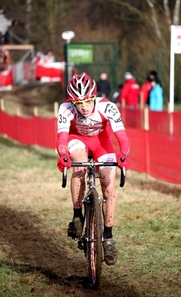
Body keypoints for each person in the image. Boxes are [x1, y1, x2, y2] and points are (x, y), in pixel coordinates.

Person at [56, 72, 130, 266]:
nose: (84, 107)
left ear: (94, 96)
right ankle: (77, 215)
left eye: (88, 101)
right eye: (78, 102)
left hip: (101, 142)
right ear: (72, 101)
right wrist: (63, 154)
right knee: (78, 165)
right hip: (77, 139)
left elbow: (121, 136)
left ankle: (108, 237)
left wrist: (123, 154)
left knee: (109, 186)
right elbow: (62, 139)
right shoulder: (65, 109)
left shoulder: (108, 107)